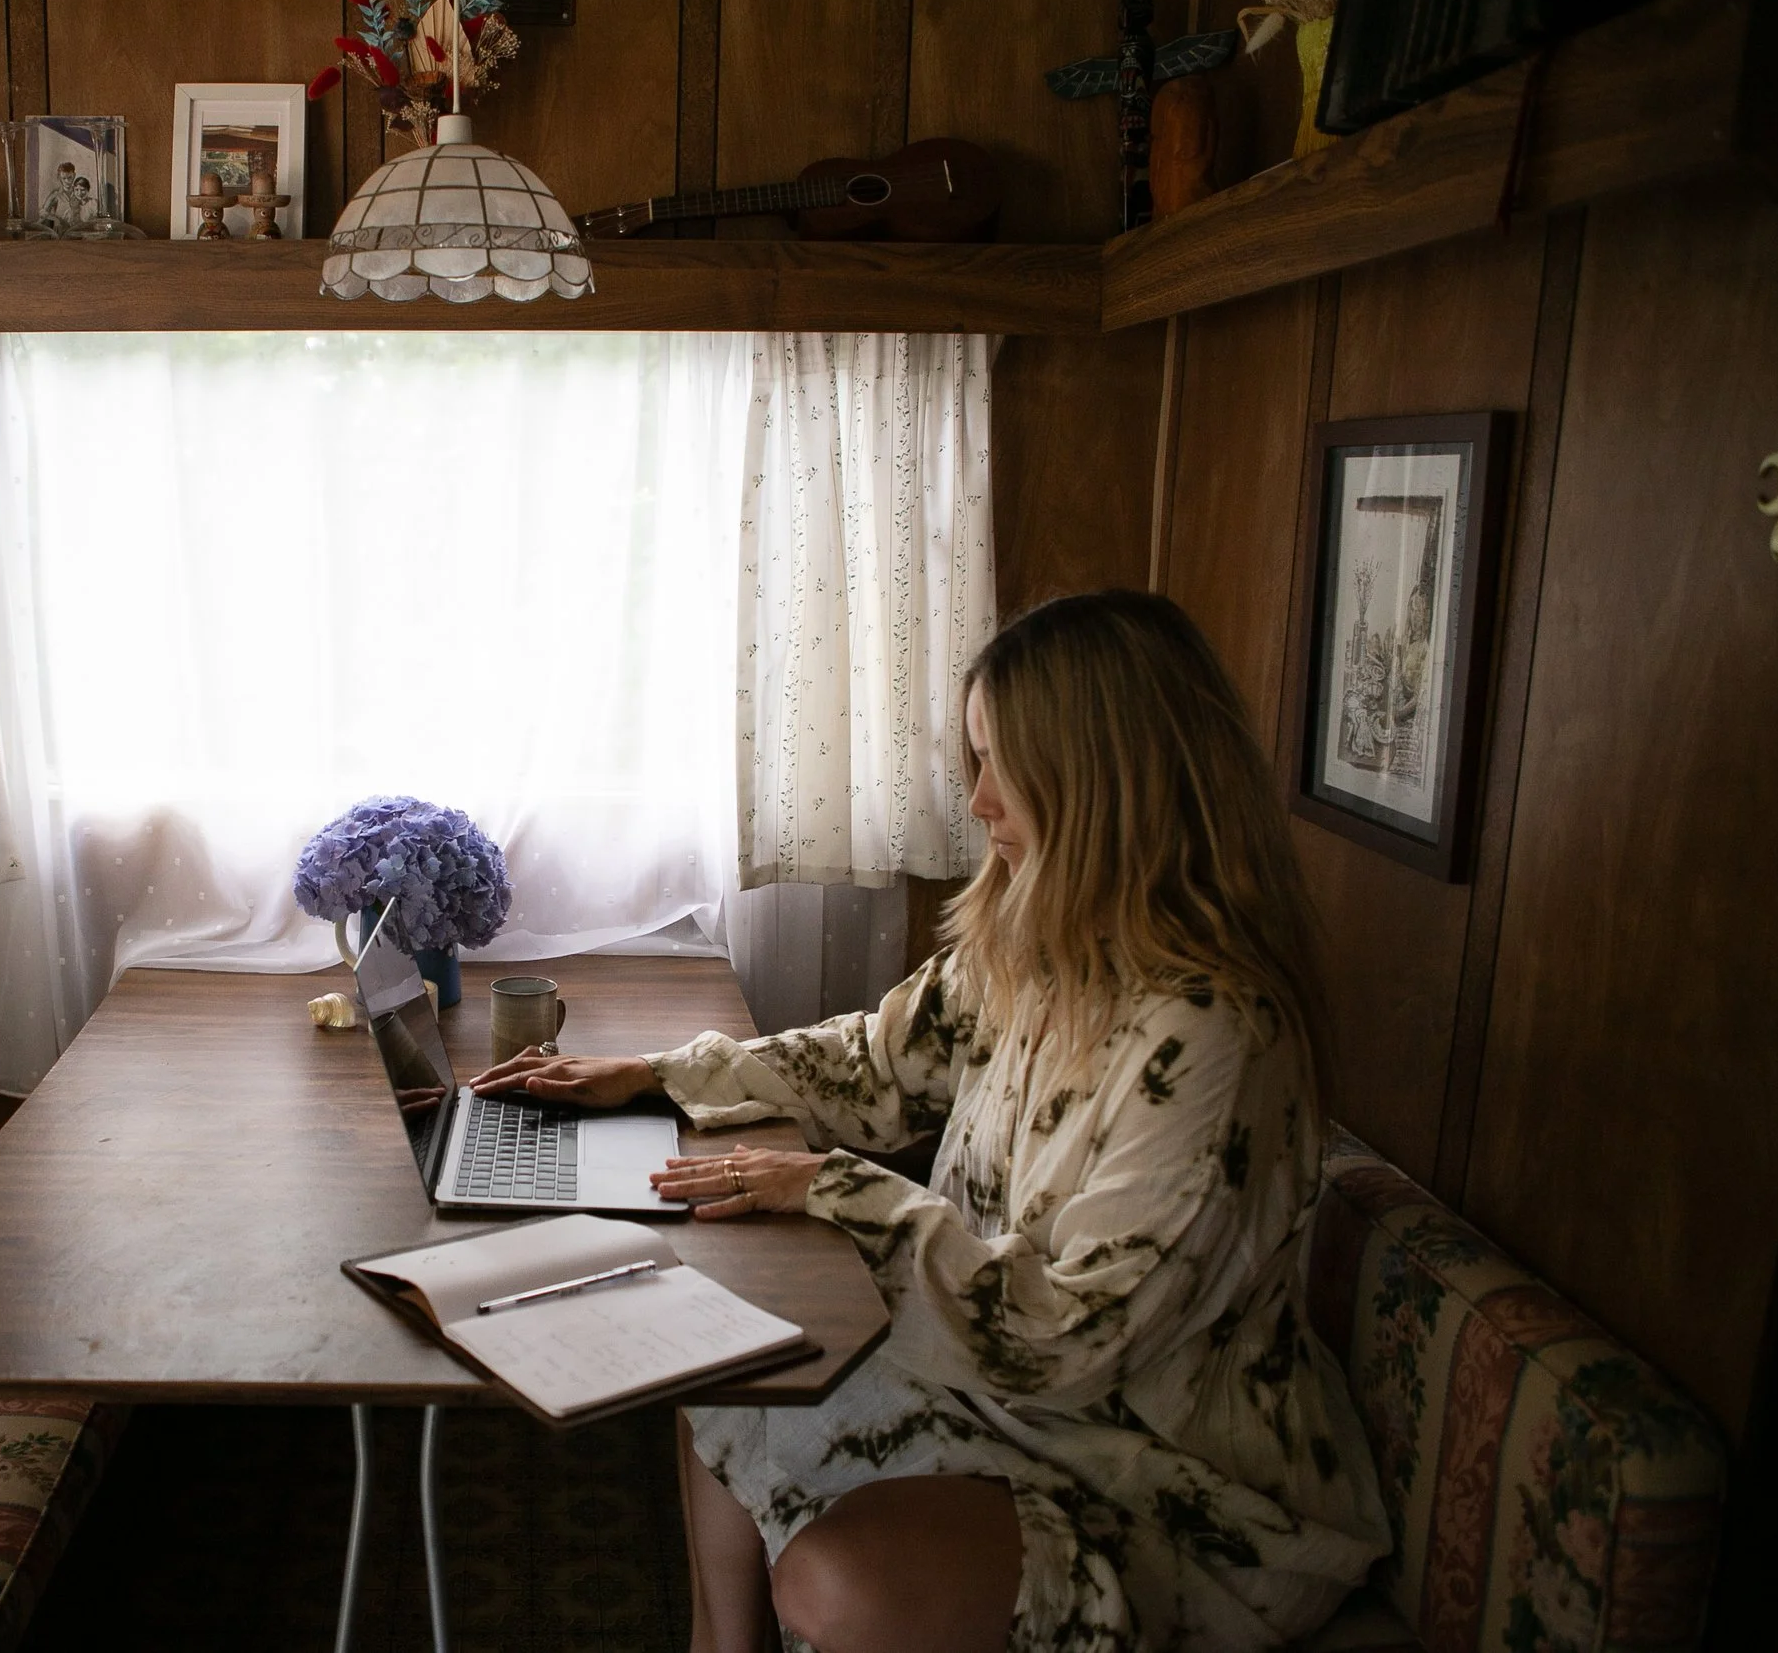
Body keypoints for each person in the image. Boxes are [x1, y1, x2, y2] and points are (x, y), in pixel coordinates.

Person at [473, 591, 1392, 1653]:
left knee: (837, 1586)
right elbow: (875, 1063)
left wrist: (825, 1184)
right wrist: (657, 1073)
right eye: (976, 758)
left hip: (1165, 1475)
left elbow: (1071, 1336)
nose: (980, 798)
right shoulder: (1039, 942)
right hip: (1004, 1393)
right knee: (720, 1359)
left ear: (1098, 781)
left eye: (1003, 764)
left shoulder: (1214, 1034)